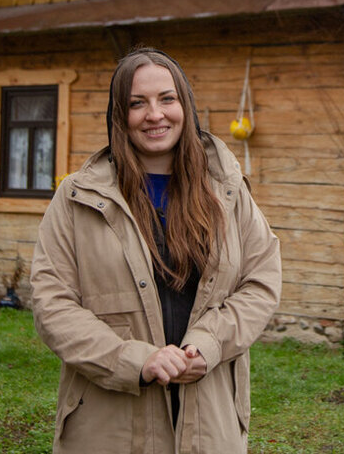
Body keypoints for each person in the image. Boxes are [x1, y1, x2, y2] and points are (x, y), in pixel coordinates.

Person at [30, 48, 282, 453]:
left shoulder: (227, 190)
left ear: (185, 105)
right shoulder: (77, 198)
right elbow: (51, 302)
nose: (155, 114)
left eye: (167, 98)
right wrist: (133, 360)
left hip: (209, 418)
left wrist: (210, 343)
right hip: (108, 424)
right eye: (137, 103)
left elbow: (262, 281)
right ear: (119, 115)